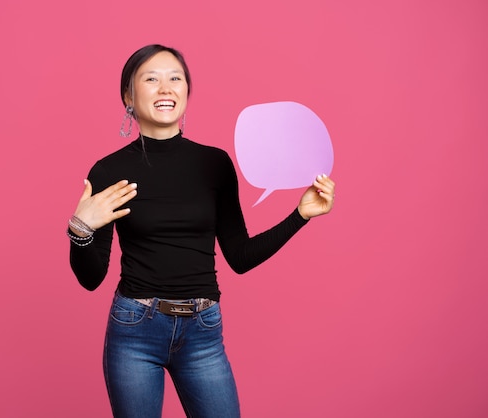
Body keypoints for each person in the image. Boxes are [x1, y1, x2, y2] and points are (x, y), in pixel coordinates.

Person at [67, 44, 336, 418]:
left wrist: (300, 215)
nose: (166, 88)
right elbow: (91, 278)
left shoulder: (214, 164)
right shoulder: (108, 171)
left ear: (187, 93)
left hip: (203, 332)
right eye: (151, 79)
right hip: (134, 331)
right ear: (128, 96)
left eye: (175, 79)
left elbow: (239, 257)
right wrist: (81, 229)